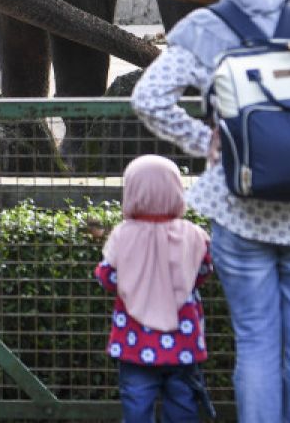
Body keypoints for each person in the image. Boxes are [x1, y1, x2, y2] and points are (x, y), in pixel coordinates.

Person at [131, 0, 290, 423]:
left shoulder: (204, 28)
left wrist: (205, 141)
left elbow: (149, 97)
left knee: (255, 340)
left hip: (240, 202)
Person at [94, 154, 213, 422]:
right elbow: (204, 270)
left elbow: (106, 277)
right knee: (183, 399)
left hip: (135, 337)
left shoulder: (123, 234)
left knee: (136, 399)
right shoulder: (192, 234)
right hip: (182, 335)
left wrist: (134, 285)